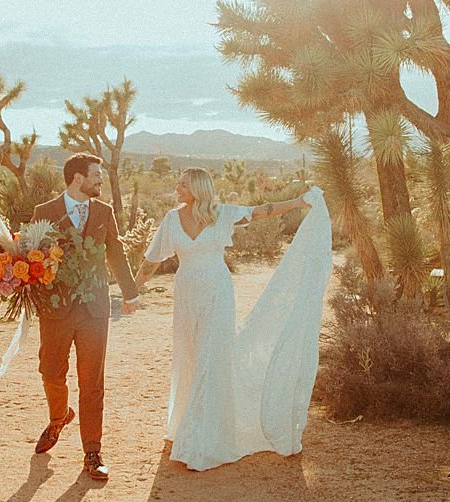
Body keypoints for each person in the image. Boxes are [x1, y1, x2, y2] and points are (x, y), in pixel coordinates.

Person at [133, 168, 331, 471]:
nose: (177, 188)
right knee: (190, 356)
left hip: (217, 292)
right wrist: (134, 290)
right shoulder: (172, 219)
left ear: (198, 188)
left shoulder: (222, 214)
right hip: (186, 294)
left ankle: (205, 439)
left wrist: (297, 202)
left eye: (183, 185)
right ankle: (188, 425)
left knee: (212, 358)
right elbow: (151, 260)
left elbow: (261, 211)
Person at [28, 152, 140, 481]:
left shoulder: (104, 212)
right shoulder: (44, 212)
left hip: (94, 309)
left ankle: (92, 451)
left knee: (92, 382)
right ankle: (59, 416)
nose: (100, 181)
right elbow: (31, 256)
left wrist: (130, 292)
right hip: (56, 309)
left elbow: (115, 251)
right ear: (78, 178)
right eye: (95, 176)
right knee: (51, 371)